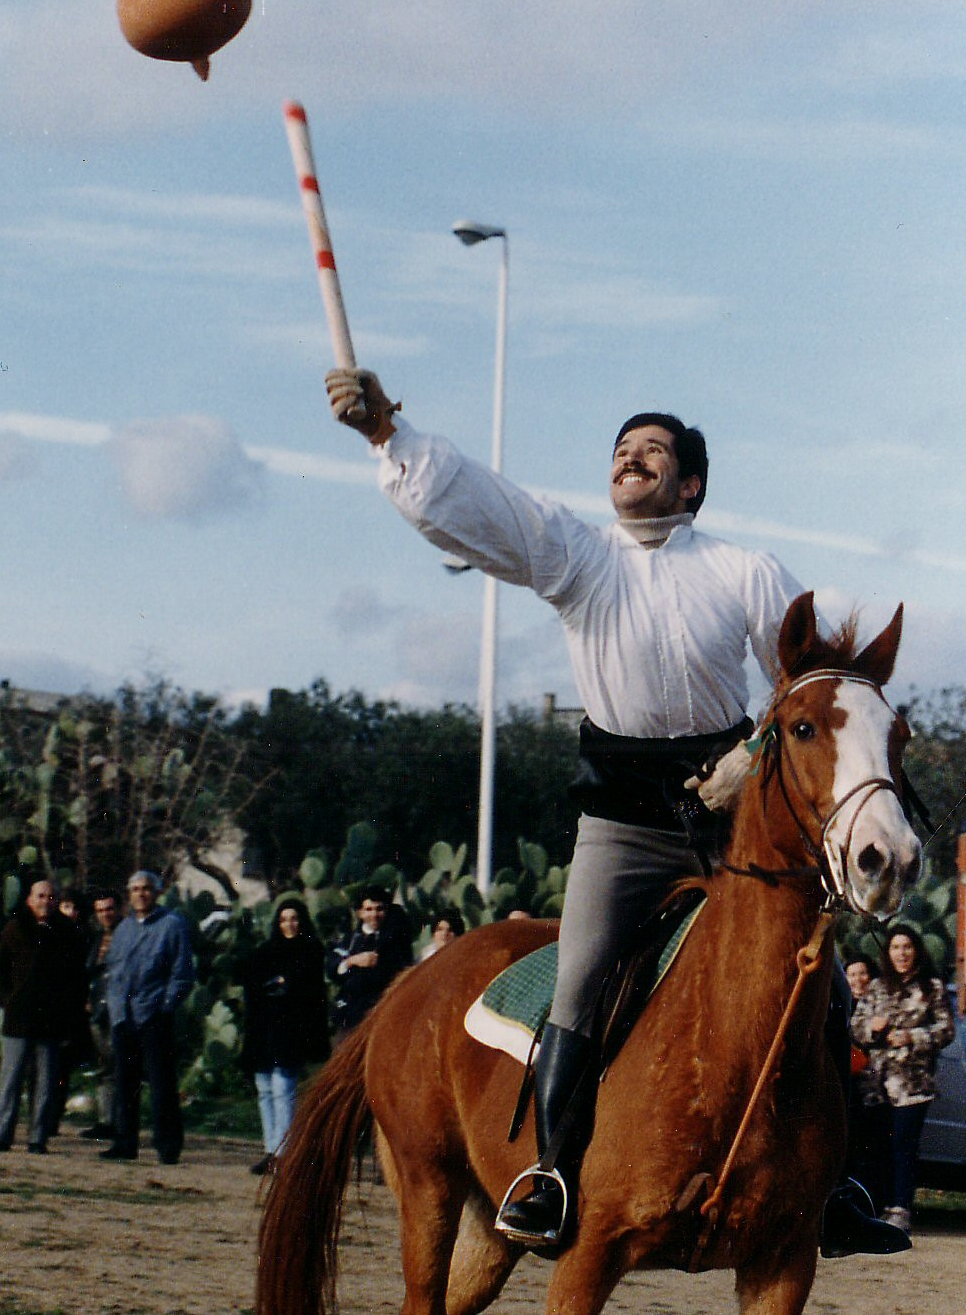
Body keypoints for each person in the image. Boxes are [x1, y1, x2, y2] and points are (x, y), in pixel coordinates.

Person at [323, 362, 909, 1261]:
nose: (631, 458)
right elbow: (483, 506)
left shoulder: (747, 571)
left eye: (653, 450)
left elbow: (805, 683)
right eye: (621, 449)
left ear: (691, 484)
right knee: (585, 974)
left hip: (726, 820)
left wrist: (752, 760)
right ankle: (551, 1176)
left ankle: (839, 1188)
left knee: (813, 976)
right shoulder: (578, 555)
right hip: (623, 823)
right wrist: (387, 435)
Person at [850, 925, 955, 1234]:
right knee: (876, 1146)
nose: (901, 953)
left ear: (917, 950)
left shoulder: (931, 988)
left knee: (903, 1146)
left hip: (912, 1084)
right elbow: (856, 1027)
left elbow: (946, 1030)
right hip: (875, 1084)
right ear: (888, 953)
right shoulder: (877, 987)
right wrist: (872, 1028)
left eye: (907, 947)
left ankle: (900, 1208)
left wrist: (912, 1036)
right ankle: (874, 1206)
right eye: (895, 947)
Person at [0, 876, 89, 1153]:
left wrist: (69, 1010)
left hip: (52, 1019)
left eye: (51, 897)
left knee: (45, 1082)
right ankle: (1, 1135)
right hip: (18, 1015)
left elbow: (77, 977)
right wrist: (7, 999)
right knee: (10, 1079)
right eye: (40, 896)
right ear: (30, 900)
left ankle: (38, 1138)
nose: (46, 901)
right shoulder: (15, 927)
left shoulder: (68, 932)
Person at [101, 871, 196, 1166]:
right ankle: (124, 1142)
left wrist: (166, 1007)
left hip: (154, 1014)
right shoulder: (124, 928)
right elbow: (113, 971)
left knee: (161, 1084)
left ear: (156, 892)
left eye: (146, 889)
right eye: (135, 889)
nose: (140, 894)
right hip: (124, 1016)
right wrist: (115, 1008)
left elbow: (182, 973)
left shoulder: (172, 925)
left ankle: (167, 1145)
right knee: (125, 1083)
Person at [238, 898, 331, 1174]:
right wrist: (277, 984)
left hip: (291, 1031)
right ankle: (271, 1150)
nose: (288, 924)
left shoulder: (311, 950)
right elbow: (254, 984)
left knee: (283, 1089)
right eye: (283, 919)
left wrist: (281, 985)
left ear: (302, 921)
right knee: (265, 1090)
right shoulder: (266, 951)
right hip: (263, 1029)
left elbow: (306, 991)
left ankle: (285, 1154)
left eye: (294, 919)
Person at [841, 955, 893, 1214]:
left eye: (863, 974)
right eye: (851, 974)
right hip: (847, 1089)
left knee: (872, 1151)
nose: (858, 980)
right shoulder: (839, 1005)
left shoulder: (880, 1003)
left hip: (874, 1090)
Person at [329, 888, 413, 1034]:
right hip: (349, 1014)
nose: (374, 915)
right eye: (368, 909)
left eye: (379, 909)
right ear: (360, 913)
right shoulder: (349, 939)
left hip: (381, 1014)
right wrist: (352, 961)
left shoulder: (395, 940)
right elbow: (333, 969)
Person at [80, 890, 123, 1139]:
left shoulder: (126, 936)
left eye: (109, 909)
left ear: (118, 909)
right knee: (104, 1065)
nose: (105, 914)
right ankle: (106, 1120)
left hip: (118, 1009)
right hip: (97, 1010)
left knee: (119, 1065)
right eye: (100, 910)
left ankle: (119, 1121)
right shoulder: (97, 939)